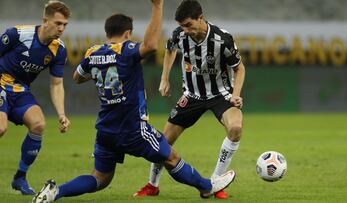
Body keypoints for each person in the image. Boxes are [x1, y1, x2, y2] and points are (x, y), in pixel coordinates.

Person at [32, 0, 235, 202]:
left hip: (106, 129)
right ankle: (207, 186)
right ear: (128, 33)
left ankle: (56, 192)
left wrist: (102, 70)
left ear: (107, 32)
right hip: (133, 128)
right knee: (171, 158)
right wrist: (157, 6)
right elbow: (152, 45)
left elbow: (77, 78)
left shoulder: (92, 53)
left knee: (100, 178)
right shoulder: (127, 50)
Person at [133, 0, 245, 199]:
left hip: (221, 94)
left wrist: (235, 94)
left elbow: (239, 68)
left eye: (188, 25)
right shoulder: (179, 35)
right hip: (191, 95)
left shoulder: (222, 38)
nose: (184, 30)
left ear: (200, 18)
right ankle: (153, 185)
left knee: (235, 128)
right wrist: (164, 78)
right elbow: (169, 50)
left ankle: (216, 182)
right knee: (162, 143)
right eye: (181, 26)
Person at [0, 0, 71, 195]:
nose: (61, 28)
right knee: (1, 127)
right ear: (45, 20)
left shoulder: (59, 49)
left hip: (20, 90)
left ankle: (19, 178)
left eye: (64, 24)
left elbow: (56, 84)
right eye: (58, 23)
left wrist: (62, 114)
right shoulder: (17, 34)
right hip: (0, 83)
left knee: (38, 125)